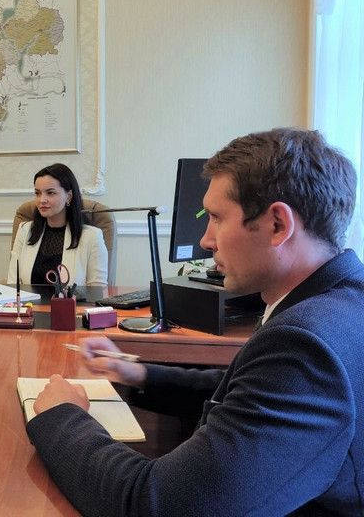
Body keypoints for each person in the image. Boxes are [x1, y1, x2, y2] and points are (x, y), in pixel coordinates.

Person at [27, 129, 364, 516]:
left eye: (216, 218)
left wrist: (62, 416)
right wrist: (138, 374)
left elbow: (153, 504)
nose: (205, 240)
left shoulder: (304, 348)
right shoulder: (336, 300)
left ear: (278, 226)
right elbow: (242, 393)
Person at [8, 163, 108, 288]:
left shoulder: (92, 237)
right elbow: (13, 283)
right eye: (38, 193)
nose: (42, 200)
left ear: (69, 196)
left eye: (50, 193)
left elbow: (97, 290)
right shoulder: (25, 231)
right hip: (28, 301)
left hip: (73, 301)